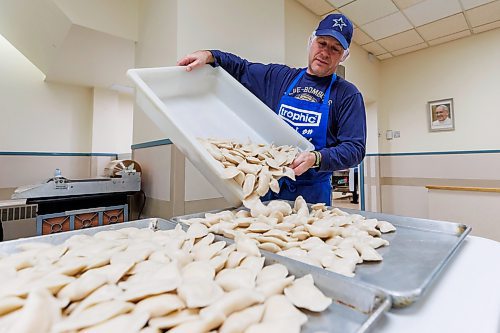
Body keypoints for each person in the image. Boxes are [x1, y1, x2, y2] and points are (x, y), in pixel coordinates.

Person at [177, 13, 366, 205]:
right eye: (322, 43)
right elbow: (241, 68)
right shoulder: (279, 77)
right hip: (268, 184)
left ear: (343, 56)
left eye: (335, 49)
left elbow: (355, 149)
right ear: (311, 42)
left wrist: (316, 157)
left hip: (313, 193)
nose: (325, 52)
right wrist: (209, 55)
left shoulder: (347, 95)